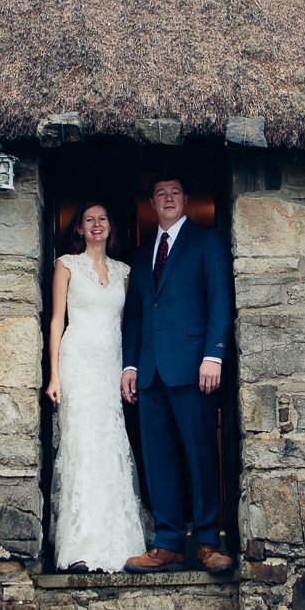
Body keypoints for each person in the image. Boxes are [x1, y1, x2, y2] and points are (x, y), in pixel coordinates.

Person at [120, 173, 235, 574]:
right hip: (150, 372)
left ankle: (207, 541)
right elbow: (135, 315)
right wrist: (131, 364)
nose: (168, 199)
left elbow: (220, 301)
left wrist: (214, 355)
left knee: (202, 454)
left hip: (194, 369)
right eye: (160, 194)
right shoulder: (140, 252)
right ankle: (167, 541)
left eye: (174, 193)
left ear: (186, 199)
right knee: (159, 458)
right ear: (152, 204)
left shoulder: (208, 241)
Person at [44, 202, 147, 572]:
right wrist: (54, 375)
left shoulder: (124, 272)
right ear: (80, 229)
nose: (96, 224)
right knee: (82, 445)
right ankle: (81, 546)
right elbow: (57, 321)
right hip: (77, 364)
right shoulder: (66, 265)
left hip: (109, 366)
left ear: (110, 227)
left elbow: (123, 326)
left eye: (102, 218)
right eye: (89, 220)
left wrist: (126, 369)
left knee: (110, 443)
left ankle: (119, 541)